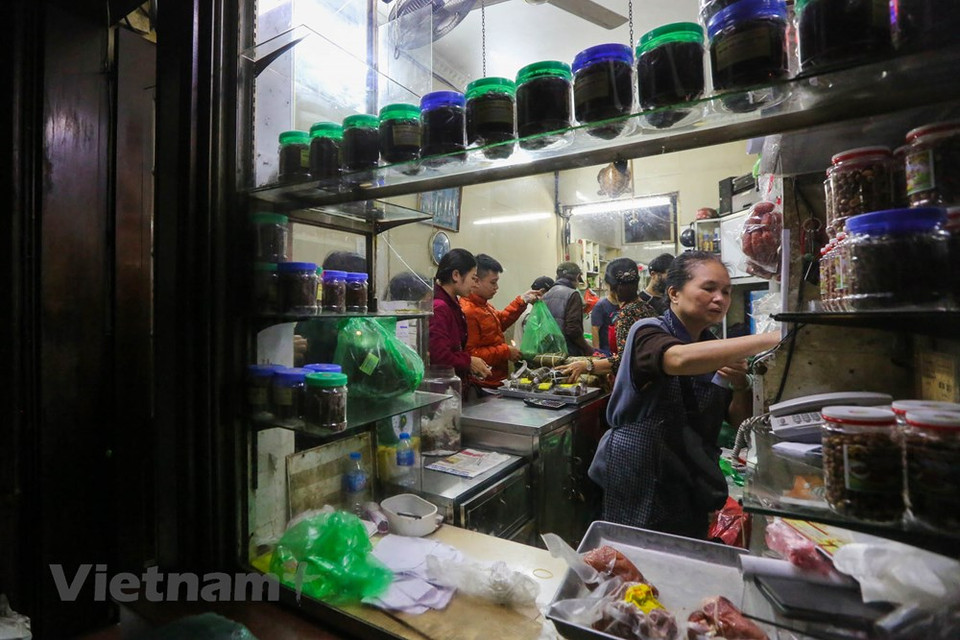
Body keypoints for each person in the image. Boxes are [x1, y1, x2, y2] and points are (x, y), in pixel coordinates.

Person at [591, 251, 781, 539]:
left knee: (684, 545)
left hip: (687, 469)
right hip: (640, 465)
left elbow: (739, 419)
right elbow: (677, 360)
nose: (721, 298)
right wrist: (775, 337)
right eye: (709, 288)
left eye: (726, 292)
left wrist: (740, 385)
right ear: (674, 293)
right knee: (634, 549)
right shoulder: (648, 332)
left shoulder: (712, 345)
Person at [556, 257, 657, 381]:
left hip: (637, 382)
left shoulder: (626, 314)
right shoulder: (647, 308)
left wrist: (587, 365)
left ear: (610, 286)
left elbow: (625, 360)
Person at [460, 254, 543, 387]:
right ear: (476, 281)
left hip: (495, 379)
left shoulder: (485, 306)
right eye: (493, 282)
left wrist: (522, 301)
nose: (496, 287)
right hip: (481, 383)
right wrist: (506, 351)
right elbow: (471, 355)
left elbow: (501, 321)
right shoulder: (468, 312)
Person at [429, 249, 491, 387]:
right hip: (442, 389)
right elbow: (439, 357)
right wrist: (468, 362)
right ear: (456, 275)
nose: (475, 284)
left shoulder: (453, 304)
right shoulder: (439, 308)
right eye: (473, 278)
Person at [542, 261, 592, 357]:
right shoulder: (573, 294)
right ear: (577, 277)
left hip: (549, 350)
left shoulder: (546, 295)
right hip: (568, 351)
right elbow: (573, 330)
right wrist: (587, 348)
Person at [513, 276, 554, 348]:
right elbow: (535, 340)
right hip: (527, 357)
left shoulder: (525, 307)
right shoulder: (531, 313)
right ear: (542, 291)